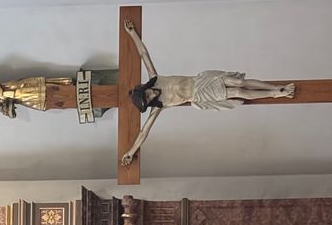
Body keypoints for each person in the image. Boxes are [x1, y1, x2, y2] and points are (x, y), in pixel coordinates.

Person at [120, 19, 295, 166]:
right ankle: (276, 94)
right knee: (238, 92)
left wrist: (132, 33)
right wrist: (131, 151)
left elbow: (144, 54)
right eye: (149, 99)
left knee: (239, 81)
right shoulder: (159, 107)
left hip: (201, 80)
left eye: (148, 93)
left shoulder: (156, 77)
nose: (151, 95)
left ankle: (274, 87)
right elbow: (144, 132)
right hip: (200, 95)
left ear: (145, 88)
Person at [0, 77, 73, 118]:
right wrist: (8, 110)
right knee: (46, 102)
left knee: (48, 89)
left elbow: (1, 92)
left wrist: (2, 102)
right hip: (22, 99)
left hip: (19, 89)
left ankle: (69, 85)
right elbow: (4, 110)